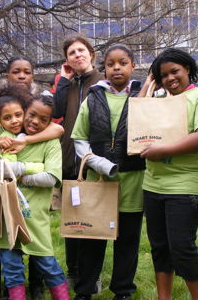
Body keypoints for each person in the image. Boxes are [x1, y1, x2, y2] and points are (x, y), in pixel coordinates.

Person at [140, 48, 198, 300]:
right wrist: (148, 85)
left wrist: (162, 150)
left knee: (182, 247)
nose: (170, 78)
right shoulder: (158, 102)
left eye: (174, 71)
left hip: (185, 186)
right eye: (163, 75)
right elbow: (136, 121)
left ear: (187, 68)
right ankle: (163, 297)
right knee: (160, 247)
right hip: (153, 186)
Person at [71, 44, 145, 300]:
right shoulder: (93, 97)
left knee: (127, 240)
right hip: (99, 180)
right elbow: (79, 139)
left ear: (132, 65)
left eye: (122, 63)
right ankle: (85, 290)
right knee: (92, 239)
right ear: (104, 68)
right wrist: (96, 162)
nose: (117, 68)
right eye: (111, 64)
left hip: (133, 179)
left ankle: (123, 290)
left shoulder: (144, 96)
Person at [0, 95, 69, 300]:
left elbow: (51, 177)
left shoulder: (50, 143)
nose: (35, 122)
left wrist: (17, 176)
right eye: (31, 115)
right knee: (11, 267)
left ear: (50, 122)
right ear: (25, 112)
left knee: (47, 263)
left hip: (35, 215)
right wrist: (34, 169)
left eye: (43, 120)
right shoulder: (7, 137)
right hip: (7, 214)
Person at [53, 34, 103, 286]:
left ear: (91, 54)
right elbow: (56, 111)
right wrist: (63, 79)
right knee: (72, 223)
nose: (77, 55)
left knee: (93, 223)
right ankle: (72, 272)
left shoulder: (103, 82)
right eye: (72, 53)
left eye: (81, 50)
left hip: (95, 164)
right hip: (69, 163)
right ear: (67, 60)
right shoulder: (67, 84)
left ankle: (91, 276)